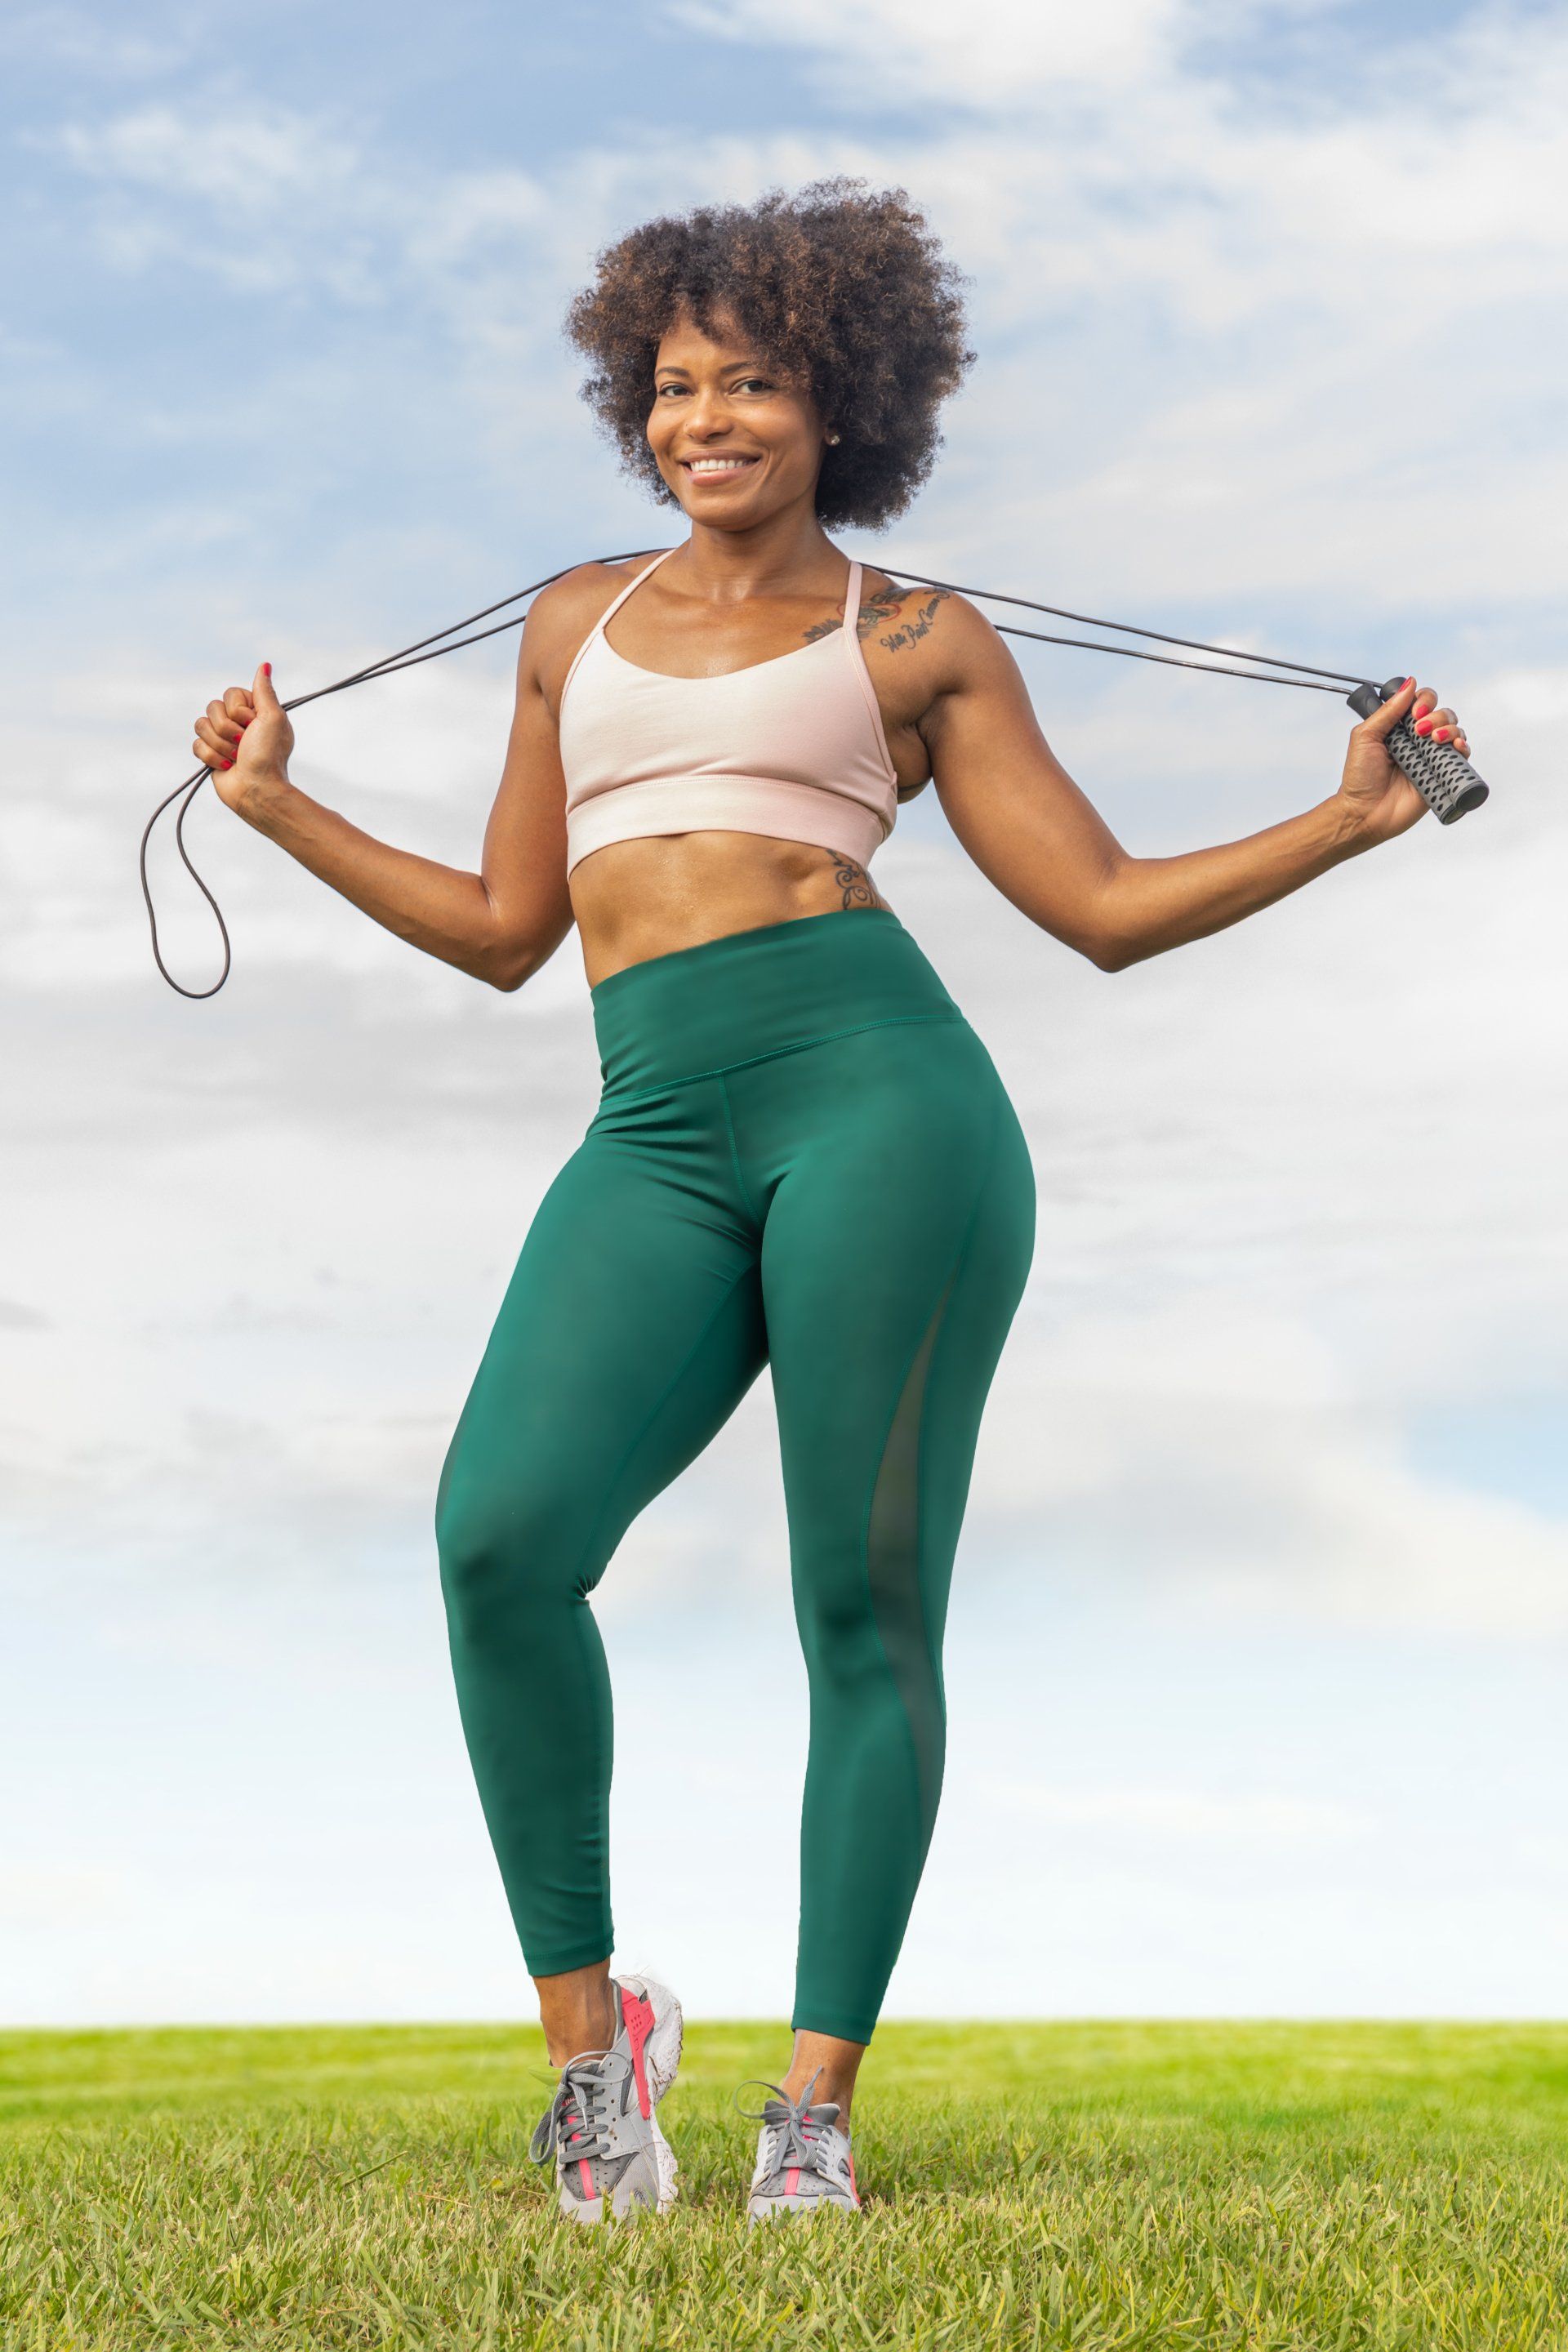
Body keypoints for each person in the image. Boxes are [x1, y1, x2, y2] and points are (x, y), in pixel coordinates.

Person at [189, 179, 1469, 2225]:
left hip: (884, 1105)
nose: (709, 420)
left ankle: (813, 2114)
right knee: (500, 1539)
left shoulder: (918, 636)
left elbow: (1108, 913)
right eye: (677, 386)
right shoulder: (565, 627)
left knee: (858, 1605)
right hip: (653, 1121)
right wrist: (274, 810)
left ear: (837, 401)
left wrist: (1346, 818)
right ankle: (596, 2064)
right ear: (638, 403)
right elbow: (510, 930)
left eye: (755, 384)